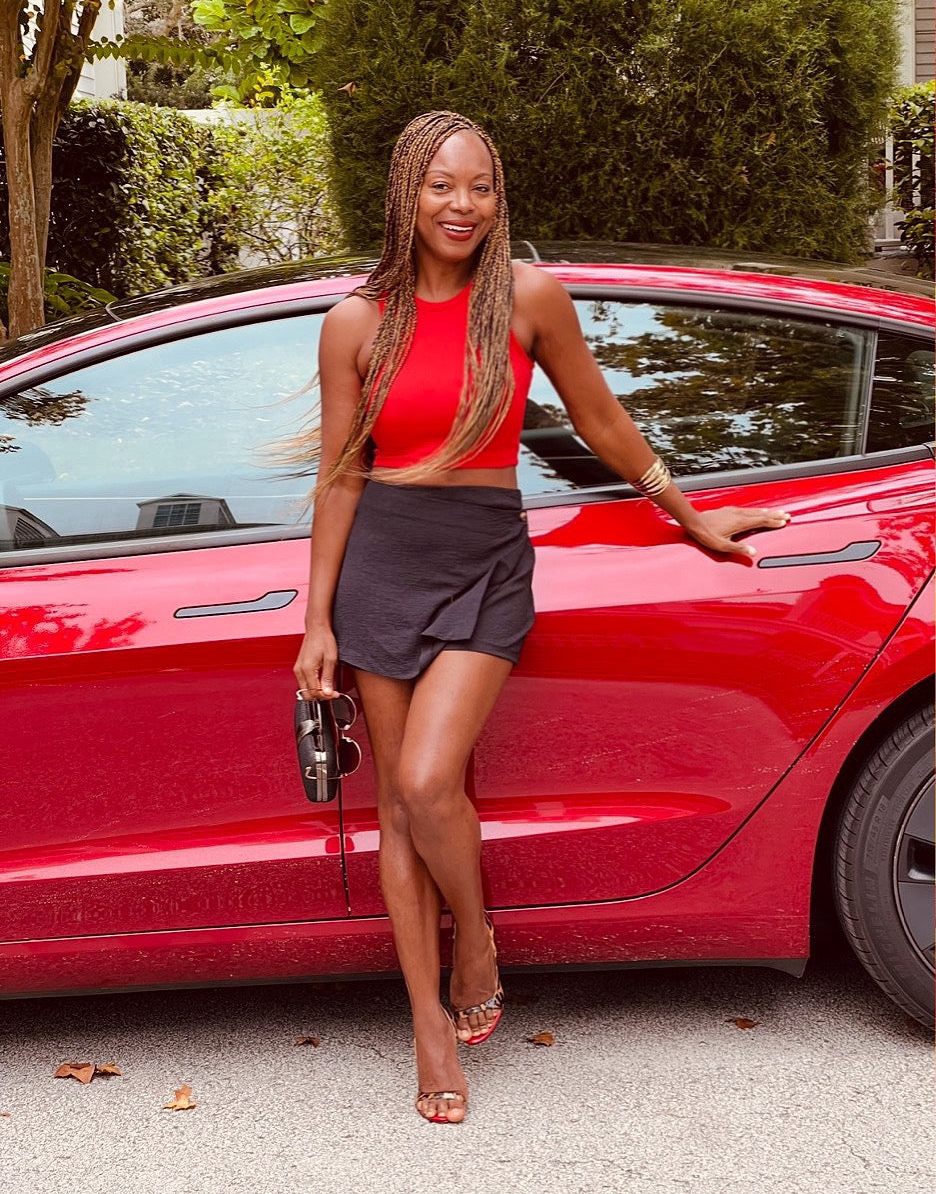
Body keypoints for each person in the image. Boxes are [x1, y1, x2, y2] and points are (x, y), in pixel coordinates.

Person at [292, 110, 791, 1124]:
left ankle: (475, 938)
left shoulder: (525, 298)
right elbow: (341, 475)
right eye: (440, 186)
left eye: (478, 186)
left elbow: (601, 419)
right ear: (405, 192)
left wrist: (691, 516)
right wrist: (316, 621)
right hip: (382, 566)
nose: (460, 205)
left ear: (498, 195)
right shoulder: (357, 322)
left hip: (484, 562)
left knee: (432, 779)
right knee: (399, 805)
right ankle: (431, 1025)